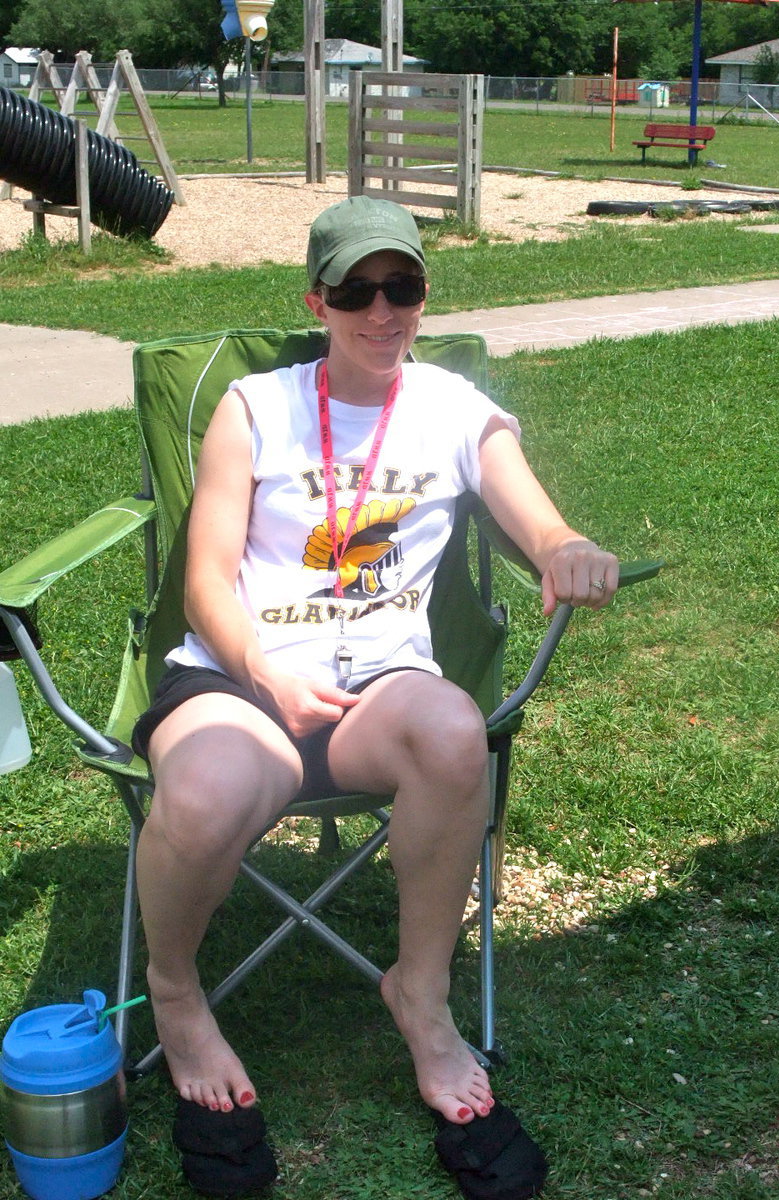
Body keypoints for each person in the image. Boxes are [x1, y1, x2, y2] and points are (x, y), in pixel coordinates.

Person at [131, 195, 618, 1192]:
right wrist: (265, 673)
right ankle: (175, 991)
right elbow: (206, 580)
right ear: (318, 298)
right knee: (215, 790)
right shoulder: (255, 407)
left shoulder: (452, 407)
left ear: (424, 293)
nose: (382, 310)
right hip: (239, 679)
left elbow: (536, 517)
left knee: (451, 728)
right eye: (357, 290)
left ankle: (422, 999)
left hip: (377, 696)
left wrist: (568, 548)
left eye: (403, 286)